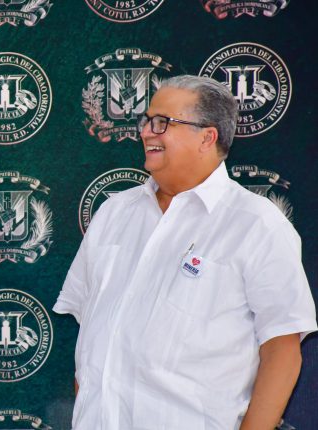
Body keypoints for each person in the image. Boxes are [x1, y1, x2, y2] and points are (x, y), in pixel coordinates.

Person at [54, 75, 316, 429]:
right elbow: (92, 337)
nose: (146, 132)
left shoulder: (255, 224)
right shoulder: (114, 212)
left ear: (207, 137)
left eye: (163, 122)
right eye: (146, 121)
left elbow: (282, 351)